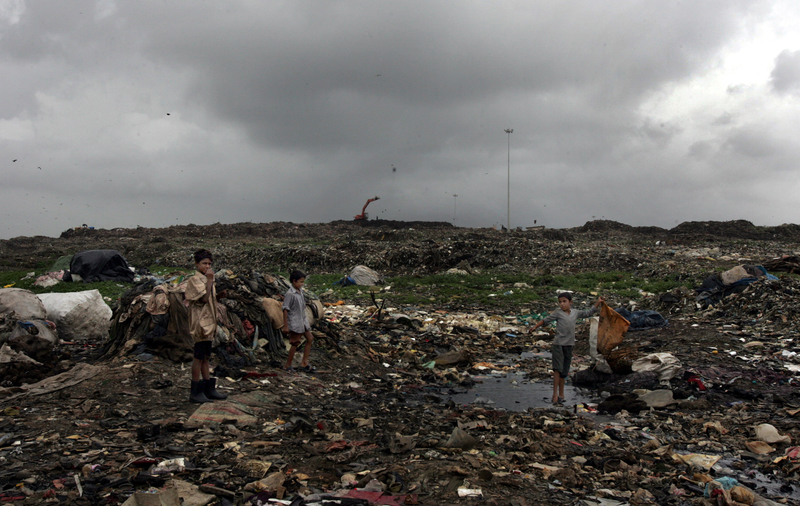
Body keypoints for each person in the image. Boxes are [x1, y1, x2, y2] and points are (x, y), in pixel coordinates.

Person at [530, 292, 604, 405]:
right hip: (558, 344)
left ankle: (562, 394)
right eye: (560, 302)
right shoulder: (558, 313)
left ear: (570, 302)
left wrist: (598, 302)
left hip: (569, 345)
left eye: (564, 301)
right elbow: (546, 320)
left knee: (564, 371)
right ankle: (555, 394)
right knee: (557, 370)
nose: (562, 304)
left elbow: (588, 313)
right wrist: (535, 327)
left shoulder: (575, 313)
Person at [184, 249, 228, 403]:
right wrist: (210, 281)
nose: (207, 266)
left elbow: (210, 297)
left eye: (209, 263)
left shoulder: (206, 279)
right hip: (200, 322)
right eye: (204, 263)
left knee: (206, 356)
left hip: (209, 322)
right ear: (197, 264)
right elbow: (203, 298)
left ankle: (209, 388)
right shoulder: (194, 280)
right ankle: (195, 391)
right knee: (198, 356)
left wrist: (219, 295)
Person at [282, 270, 315, 372]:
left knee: (310, 338)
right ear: (294, 281)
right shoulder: (290, 294)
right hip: (295, 322)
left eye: (303, 282)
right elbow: (285, 309)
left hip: (303, 321)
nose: (302, 284)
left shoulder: (300, 292)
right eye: (300, 282)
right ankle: (287, 365)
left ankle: (304, 362)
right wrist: (286, 325)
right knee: (295, 343)